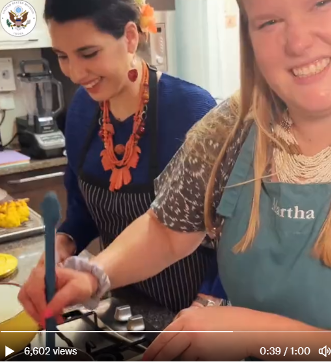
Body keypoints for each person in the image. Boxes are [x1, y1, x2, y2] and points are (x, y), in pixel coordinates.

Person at [19, 0, 331, 360]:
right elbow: (166, 230)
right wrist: (92, 274)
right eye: (269, 21)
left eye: (320, 3)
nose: (298, 42)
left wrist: (252, 333)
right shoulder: (232, 127)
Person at [35, 0, 227, 315]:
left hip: (194, 305)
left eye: (88, 53)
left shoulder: (190, 109)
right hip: (123, 301)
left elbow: (231, 233)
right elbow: (83, 211)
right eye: (62, 57)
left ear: (130, 37)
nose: (74, 73)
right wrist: (63, 242)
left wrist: (208, 303)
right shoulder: (82, 111)